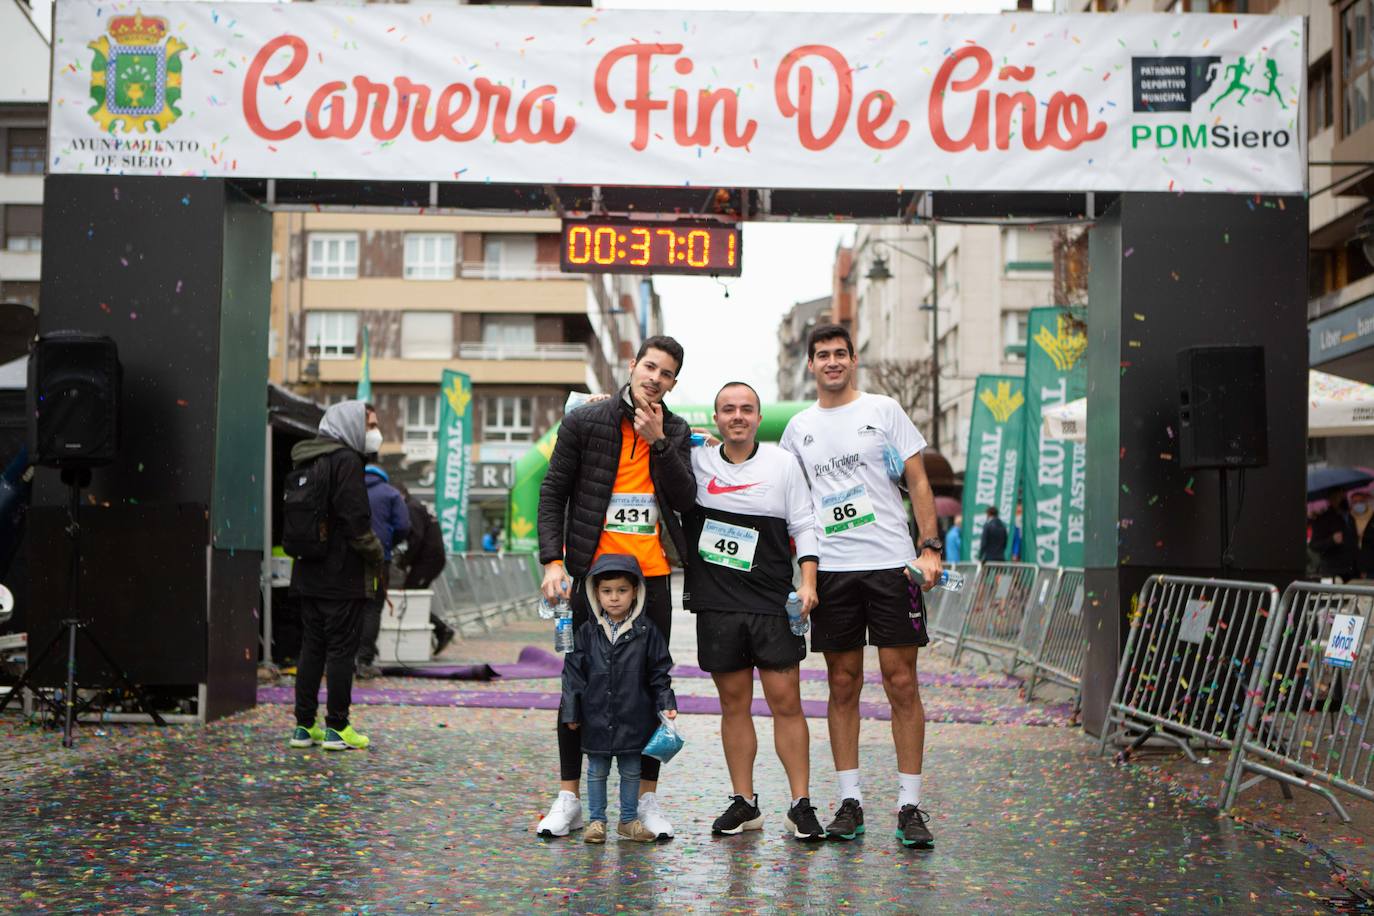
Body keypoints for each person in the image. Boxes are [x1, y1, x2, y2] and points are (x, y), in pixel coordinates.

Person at [780, 323, 941, 849]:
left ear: (853, 359)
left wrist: (929, 547)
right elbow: (793, 504)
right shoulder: (797, 428)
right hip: (833, 570)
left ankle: (910, 805)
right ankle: (850, 801)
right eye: (822, 355)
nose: (832, 362)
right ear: (810, 365)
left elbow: (917, 479)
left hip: (893, 564)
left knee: (901, 682)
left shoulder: (883, 410)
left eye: (840, 354)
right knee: (842, 683)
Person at [535, 335, 695, 841]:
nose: (655, 378)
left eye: (666, 374)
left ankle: (644, 801)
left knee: (649, 687)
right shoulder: (586, 420)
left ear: (673, 383)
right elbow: (553, 489)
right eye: (650, 366)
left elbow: (687, 499)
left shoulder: (675, 428)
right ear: (632, 366)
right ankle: (569, 799)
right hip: (592, 574)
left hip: (651, 577)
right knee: (576, 684)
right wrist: (553, 561)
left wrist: (660, 441)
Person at [683, 381, 826, 842]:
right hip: (717, 603)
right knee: (734, 705)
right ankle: (744, 802)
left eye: (746, 409)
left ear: (759, 418)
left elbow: (804, 524)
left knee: (787, 703)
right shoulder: (698, 459)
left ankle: (800, 804)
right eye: (728, 410)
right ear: (717, 418)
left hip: (769, 603)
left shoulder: (782, 464)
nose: (738, 416)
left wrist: (807, 581)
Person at [287, 400, 384, 752]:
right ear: (350, 426)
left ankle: (303, 725)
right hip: (342, 575)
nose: (373, 432)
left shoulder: (307, 458)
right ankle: (337, 727)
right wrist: (376, 552)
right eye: (369, 424)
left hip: (307, 572)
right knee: (341, 650)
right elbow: (356, 519)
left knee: (311, 648)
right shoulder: (346, 461)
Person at [560, 554, 677, 844]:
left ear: (635, 591)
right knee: (597, 771)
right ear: (595, 594)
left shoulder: (648, 633)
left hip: (634, 716)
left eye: (622, 591)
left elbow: (659, 672)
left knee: (631, 770)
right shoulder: (587, 633)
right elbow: (573, 674)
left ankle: (628, 820)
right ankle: (596, 821)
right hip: (596, 716)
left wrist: (666, 703)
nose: (614, 598)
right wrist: (572, 711)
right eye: (607, 591)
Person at [356, 434, 410, 679]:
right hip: (379, 561)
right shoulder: (390, 494)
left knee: (349, 607)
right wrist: (388, 545)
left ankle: (344, 658)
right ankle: (365, 661)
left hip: (348, 559)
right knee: (372, 607)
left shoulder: (350, 489)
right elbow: (403, 526)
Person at [395, 484, 453, 655]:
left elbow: (417, 537)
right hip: (431, 558)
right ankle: (434, 631)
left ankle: (441, 629)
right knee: (412, 595)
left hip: (428, 560)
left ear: (401, 494)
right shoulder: (417, 505)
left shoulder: (411, 508)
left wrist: (405, 561)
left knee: (410, 596)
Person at [1310, 490, 1357, 581]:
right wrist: (1332, 540)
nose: (1341, 498)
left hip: (1352, 570)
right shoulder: (1322, 519)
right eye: (1338, 496)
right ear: (1330, 499)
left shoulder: (1351, 516)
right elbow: (1314, 545)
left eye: (1343, 495)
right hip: (1333, 571)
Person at [1351, 490, 1374, 579]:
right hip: (1353, 568)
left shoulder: (1372, 517)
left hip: (1371, 566)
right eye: (1355, 502)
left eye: (1361, 501)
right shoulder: (1348, 519)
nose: (1358, 504)